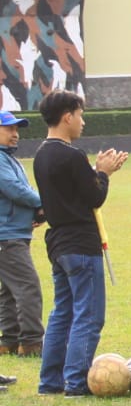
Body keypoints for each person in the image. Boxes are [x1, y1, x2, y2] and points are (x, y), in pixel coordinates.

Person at [34, 91, 127, 396]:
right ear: (67, 116)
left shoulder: (41, 155)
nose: (82, 121)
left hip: (58, 243)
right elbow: (94, 197)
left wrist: (98, 172)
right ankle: (76, 382)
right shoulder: (72, 155)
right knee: (88, 315)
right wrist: (103, 173)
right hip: (80, 245)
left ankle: (50, 381)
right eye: (80, 114)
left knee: (63, 311)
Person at [0, 108, 43, 374]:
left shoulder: (8, 158)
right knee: (28, 287)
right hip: (7, 235)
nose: (15, 134)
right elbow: (15, 190)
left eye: (17, 129)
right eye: (9, 129)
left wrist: (36, 211)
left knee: (8, 290)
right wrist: (45, 203)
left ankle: (9, 340)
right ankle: (32, 342)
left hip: (14, 232)